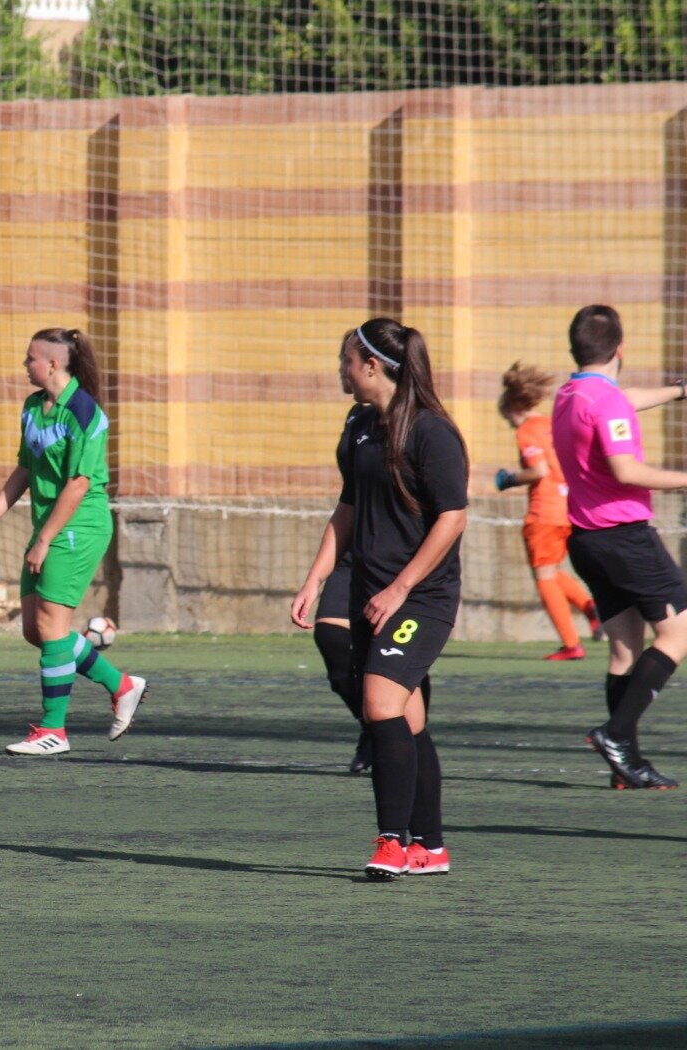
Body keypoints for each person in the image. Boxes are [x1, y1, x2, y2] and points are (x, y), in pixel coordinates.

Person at [292, 318, 468, 880]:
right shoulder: (360, 423)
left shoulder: (431, 432)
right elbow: (348, 508)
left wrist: (401, 586)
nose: (341, 371)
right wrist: (316, 577)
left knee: (380, 707)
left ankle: (392, 841)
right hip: (374, 592)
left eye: (346, 361)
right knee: (408, 720)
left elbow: (453, 517)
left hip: (420, 597)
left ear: (371, 366)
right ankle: (432, 848)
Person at [0, 327, 146, 755]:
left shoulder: (83, 411)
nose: (25, 365)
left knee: (51, 628)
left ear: (53, 364)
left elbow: (80, 484)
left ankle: (54, 731)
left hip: (79, 526)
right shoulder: (32, 407)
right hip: (50, 525)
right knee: (38, 631)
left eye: (30, 358)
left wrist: (43, 540)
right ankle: (121, 685)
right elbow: (25, 470)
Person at [550, 305, 687, 791]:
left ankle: (624, 766)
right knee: (678, 634)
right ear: (621, 349)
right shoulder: (605, 403)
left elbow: (620, 400)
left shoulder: (570, 394)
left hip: (587, 540)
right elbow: (627, 470)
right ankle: (617, 733)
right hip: (625, 538)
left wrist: (679, 389)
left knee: (624, 650)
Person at [493, 362, 601, 660]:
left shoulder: (527, 431)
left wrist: (509, 479)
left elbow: (538, 470)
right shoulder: (553, 424)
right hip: (569, 508)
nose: (512, 426)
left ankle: (570, 644)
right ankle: (589, 606)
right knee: (551, 570)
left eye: (508, 420)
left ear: (513, 409)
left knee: (543, 575)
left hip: (545, 511)